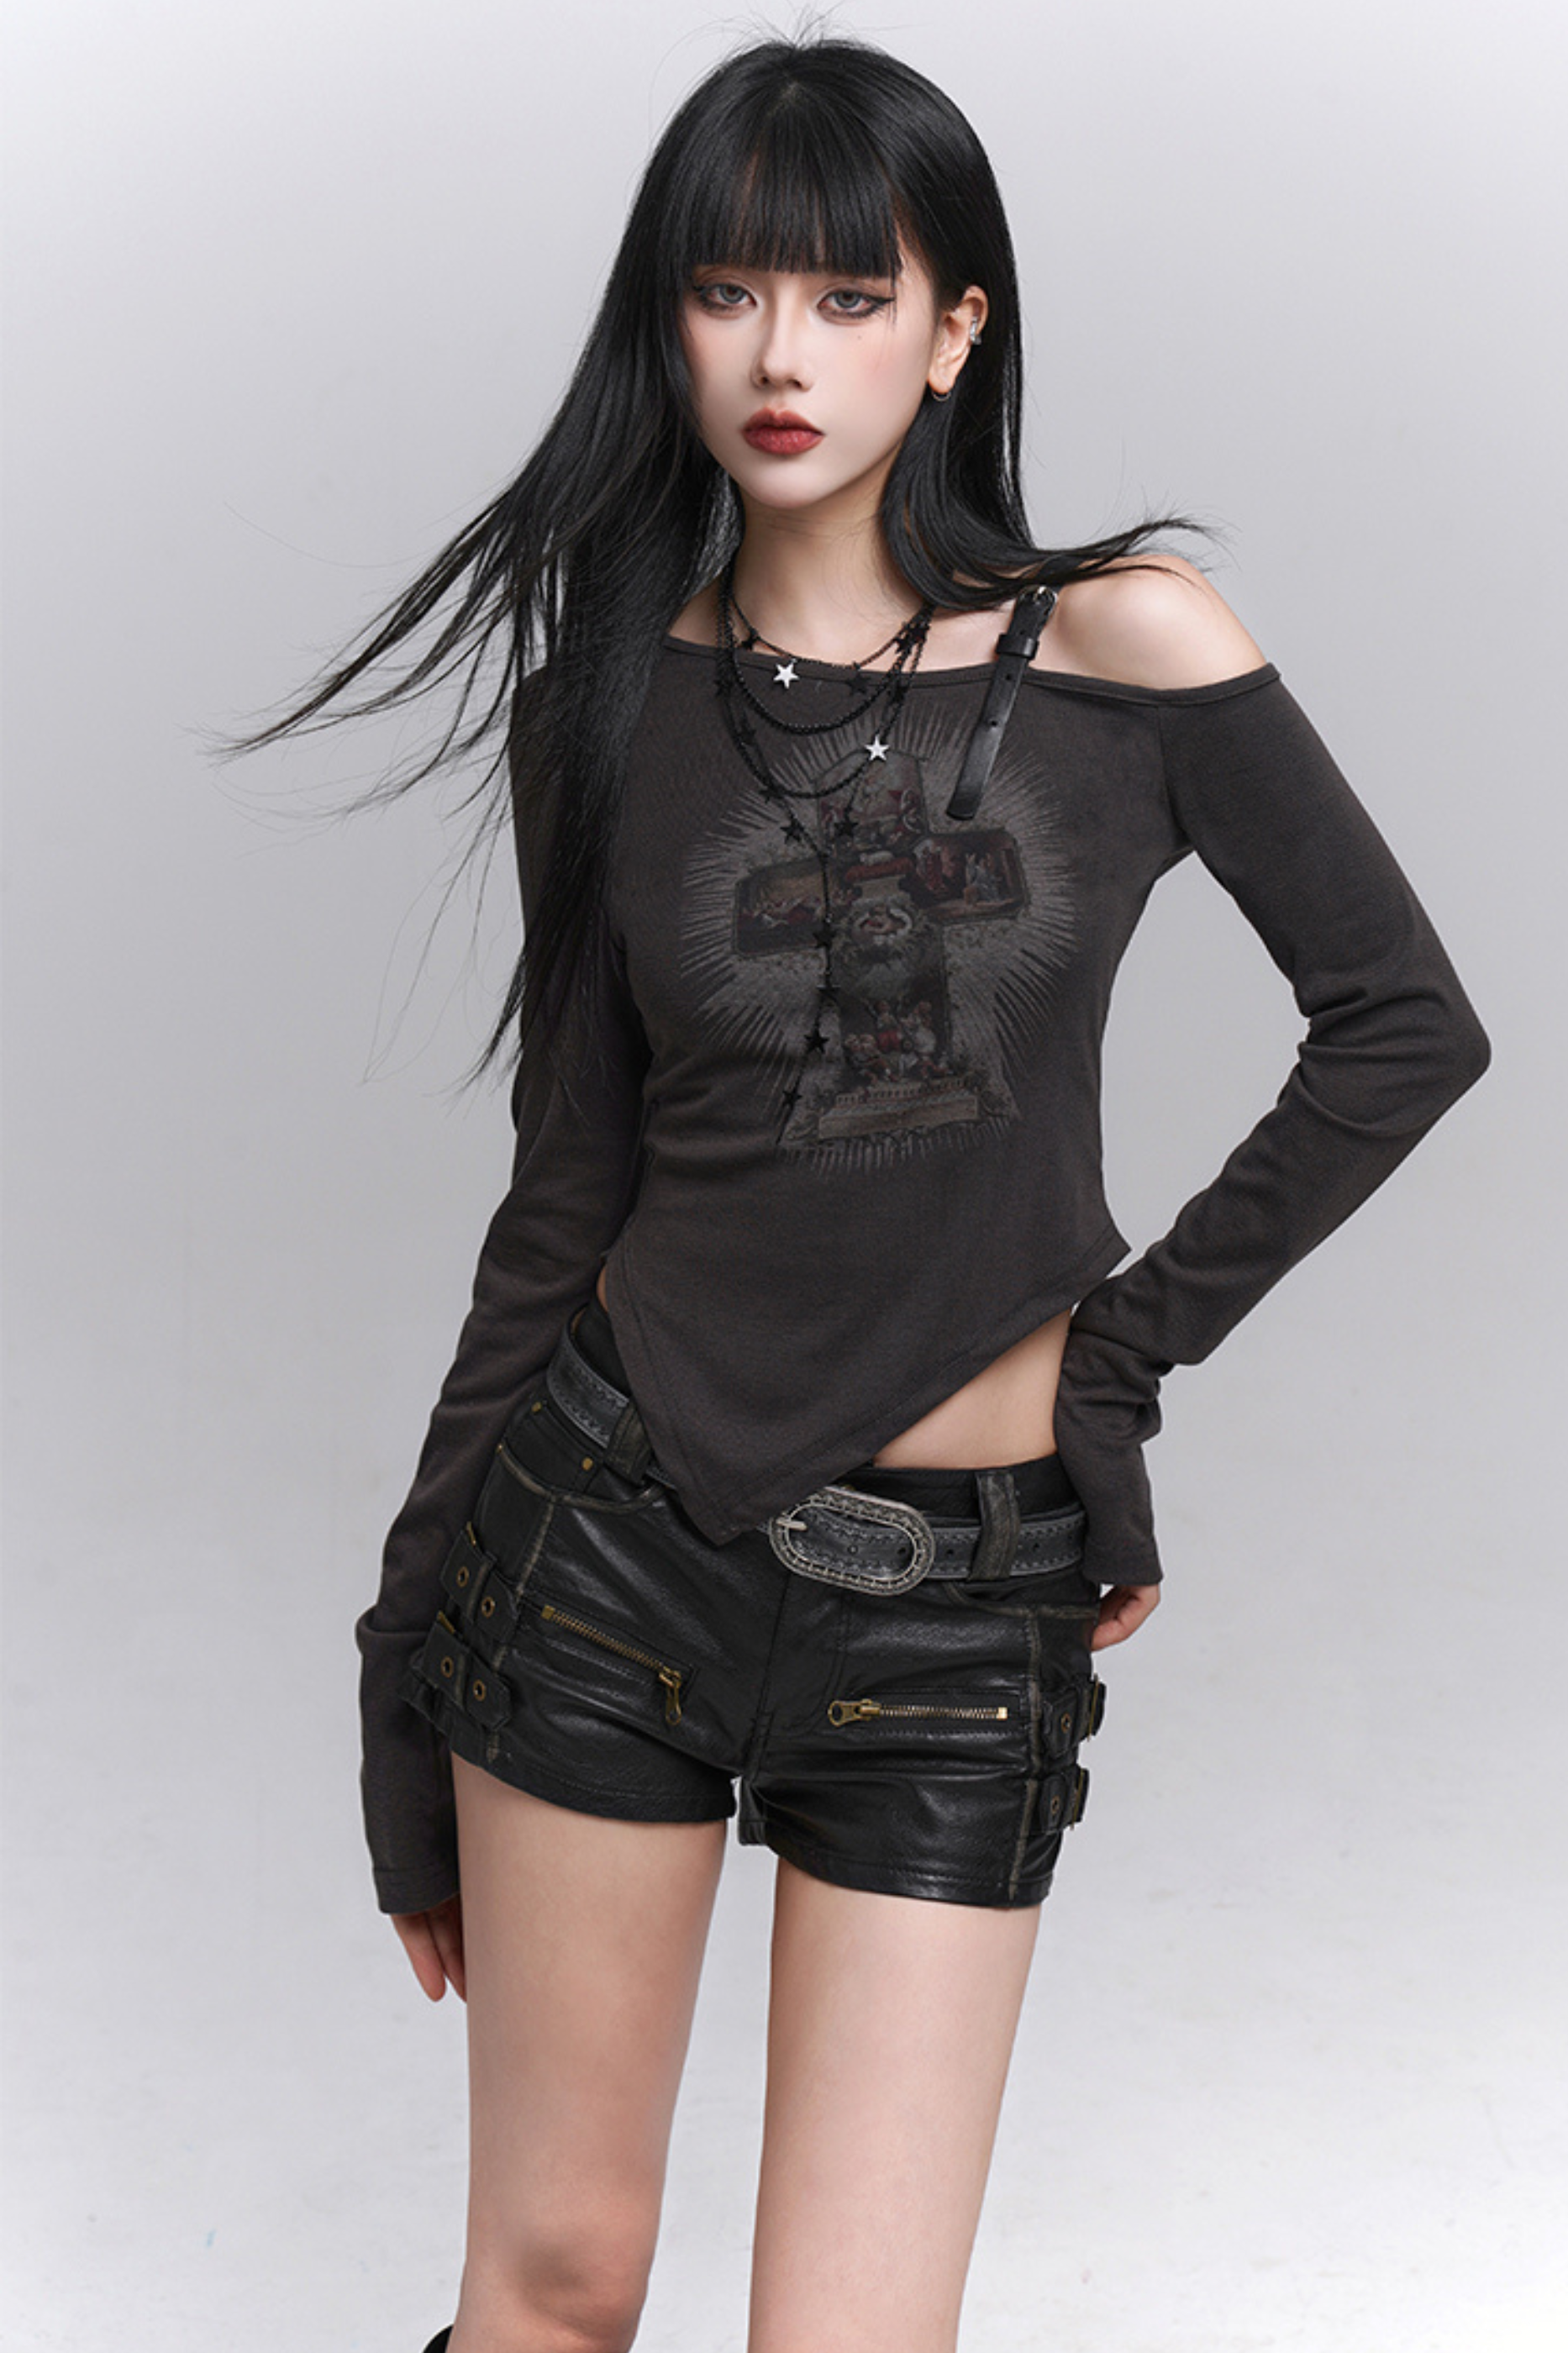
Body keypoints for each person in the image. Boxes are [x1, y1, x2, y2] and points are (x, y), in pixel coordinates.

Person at [243, 34, 1489, 2353]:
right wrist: (401, 1661)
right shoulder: (606, 700)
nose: (781, 359)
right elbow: (563, 1197)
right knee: (554, 2285)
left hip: (962, 1620)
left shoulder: (1129, 645)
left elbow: (1405, 1026)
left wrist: (1115, 1360)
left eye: (845, 296)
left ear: (954, 328)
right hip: (605, 1548)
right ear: (670, 325)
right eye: (726, 294)